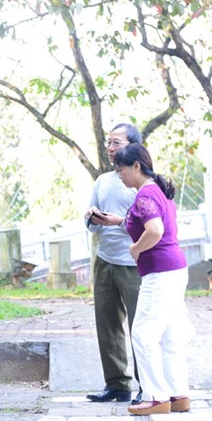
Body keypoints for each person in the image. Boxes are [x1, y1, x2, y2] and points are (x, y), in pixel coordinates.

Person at [112, 143, 193, 415]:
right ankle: (177, 393)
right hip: (175, 269)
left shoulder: (145, 195)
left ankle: (156, 397)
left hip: (159, 273)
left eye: (121, 169)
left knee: (143, 333)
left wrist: (135, 249)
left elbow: (155, 230)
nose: (119, 175)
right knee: (169, 335)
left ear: (136, 166)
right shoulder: (158, 190)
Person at [84, 123, 143, 404]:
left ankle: (148, 386)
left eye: (116, 143)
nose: (110, 148)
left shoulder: (142, 184)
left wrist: (118, 223)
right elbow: (93, 227)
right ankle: (117, 384)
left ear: (133, 146)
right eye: (109, 142)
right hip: (105, 260)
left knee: (139, 326)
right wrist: (92, 218)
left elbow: (150, 226)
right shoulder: (103, 181)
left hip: (133, 263)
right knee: (107, 326)